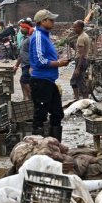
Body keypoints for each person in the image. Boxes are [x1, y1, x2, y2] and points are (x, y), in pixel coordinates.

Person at [29, 9, 70, 141]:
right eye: (51, 20)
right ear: (42, 21)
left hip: (49, 81)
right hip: (41, 81)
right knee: (40, 115)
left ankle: (54, 144)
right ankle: (37, 145)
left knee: (57, 113)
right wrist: (58, 63)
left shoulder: (45, 36)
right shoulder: (39, 37)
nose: (54, 22)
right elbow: (40, 60)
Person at [69, 20, 92, 100]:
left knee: (80, 81)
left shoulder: (82, 38)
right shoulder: (84, 35)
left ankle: (85, 100)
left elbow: (81, 54)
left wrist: (78, 68)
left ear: (80, 27)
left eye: (75, 27)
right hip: (83, 60)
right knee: (74, 81)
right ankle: (76, 98)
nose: (73, 29)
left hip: (81, 61)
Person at [14, 20, 34, 99]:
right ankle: (25, 98)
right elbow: (21, 54)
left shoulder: (31, 39)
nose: (20, 29)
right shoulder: (24, 39)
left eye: (22, 27)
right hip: (24, 64)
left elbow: (34, 52)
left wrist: (32, 66)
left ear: (27, 28)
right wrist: (16, 66)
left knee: (24, 80)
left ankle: (32, 98)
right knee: (24, 81)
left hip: (29, 64)